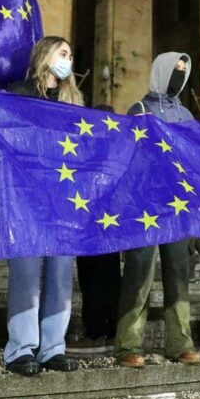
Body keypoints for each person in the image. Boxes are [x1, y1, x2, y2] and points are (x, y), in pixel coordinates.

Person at [115, 53, 200, 368]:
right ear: (161, 71)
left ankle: (180, 343)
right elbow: (126, 156)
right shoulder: (140, 109)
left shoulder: (185, 113)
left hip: (177, 207)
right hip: (145, 205)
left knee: (178, 274)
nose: (179, 76)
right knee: (139, 274)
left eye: (184, 71)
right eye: (175, 70)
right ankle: (128, 344)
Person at [0, 36, 84, 376]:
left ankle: (53, 347)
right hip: (26, 198)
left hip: (63, 201)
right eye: (63, 53)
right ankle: (20, 348)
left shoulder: (74, 103)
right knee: (26, 274)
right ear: (45, 56)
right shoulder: (19, 93)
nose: (68, 59)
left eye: (71, 54)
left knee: (61, 274)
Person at [69, 104, 123, 356]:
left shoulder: (114, 149)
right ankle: (98, 327)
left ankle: (106, 327)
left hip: (104, 223)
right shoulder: (87, 148)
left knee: (104, 276)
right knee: (94, 276)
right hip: (90, 222)